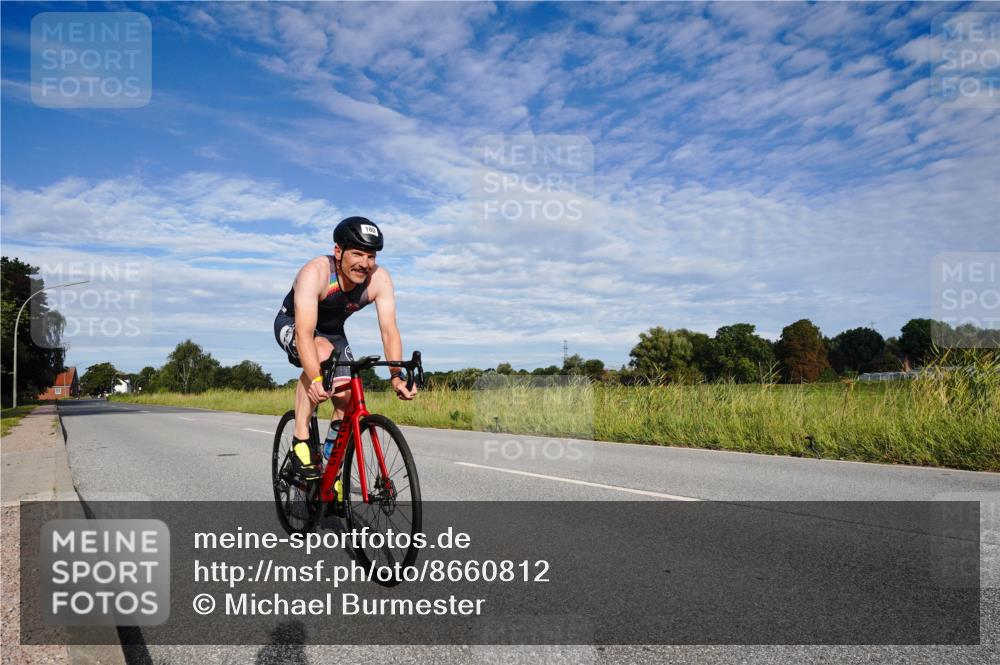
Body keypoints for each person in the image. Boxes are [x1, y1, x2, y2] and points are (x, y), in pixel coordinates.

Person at [274, 216, 415, 482]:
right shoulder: (315, 273)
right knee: (321, 350)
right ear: (338, 252)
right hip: (294, 324)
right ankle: (301, 440)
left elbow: (389, 330)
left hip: (333, 332)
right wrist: (316, 379)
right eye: (358, 253)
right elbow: (305, 334)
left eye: (371, 256)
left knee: (348, 393)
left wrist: (396, 376)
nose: (365, 263)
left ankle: (331, 467)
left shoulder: (379, 279)